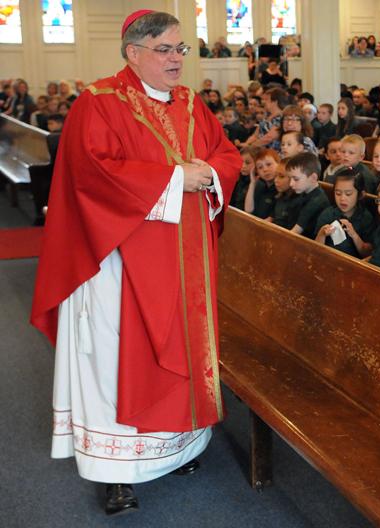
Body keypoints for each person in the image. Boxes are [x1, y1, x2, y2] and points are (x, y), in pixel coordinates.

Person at [30, 10, 241, 515]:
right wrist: (174, 180)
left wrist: (208, 173)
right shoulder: (98, 103)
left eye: (179, 49)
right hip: (118, 261)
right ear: (133, 52)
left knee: (183, 348)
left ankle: (177, 448)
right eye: (165, 50)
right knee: (116, 358)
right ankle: (115, 470)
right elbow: (91, 174)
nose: (176, 60)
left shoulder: (192, 104)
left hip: (186, 259)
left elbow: (226, 156)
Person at [315, 170, 374, 257]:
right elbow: (315, 249)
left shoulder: (366, 217)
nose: (342, 198)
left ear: (360, 195)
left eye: (348, 194)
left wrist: (354, 235)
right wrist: (322, 233)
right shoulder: (328, 214)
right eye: (338, 193)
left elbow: (367, 253)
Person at [285, 152, 330, 237]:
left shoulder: (317, 201)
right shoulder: (302, 191)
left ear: (313, 178)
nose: (291, 184)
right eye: (290, 178)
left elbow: (295, 232)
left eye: (296, 179)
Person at [244, 148, 280, 219]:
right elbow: (248, 210)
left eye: (269, 164)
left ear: (279, 164)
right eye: (260, 167)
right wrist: (252, 183)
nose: (265, 169)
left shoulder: (281, 189)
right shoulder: (260, 186)